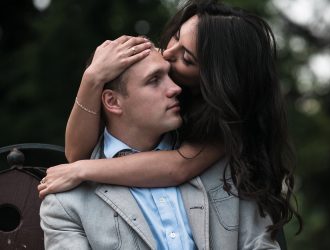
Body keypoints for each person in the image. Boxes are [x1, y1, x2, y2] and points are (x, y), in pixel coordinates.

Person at [38, 0, 302, 243]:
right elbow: (75, 153)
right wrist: (92, 77)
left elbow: (178, 167)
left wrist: (83, 170)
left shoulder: (228, 123)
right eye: (175, 37)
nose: (166, 53)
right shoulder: (67, 207)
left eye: (187, 58)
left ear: (215, 79)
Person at [40, 46, 198, 249]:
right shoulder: (66, 203)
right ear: (113, 101)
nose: (176, 88)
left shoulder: (212, 157)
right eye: (154, 80)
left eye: (170, 75)